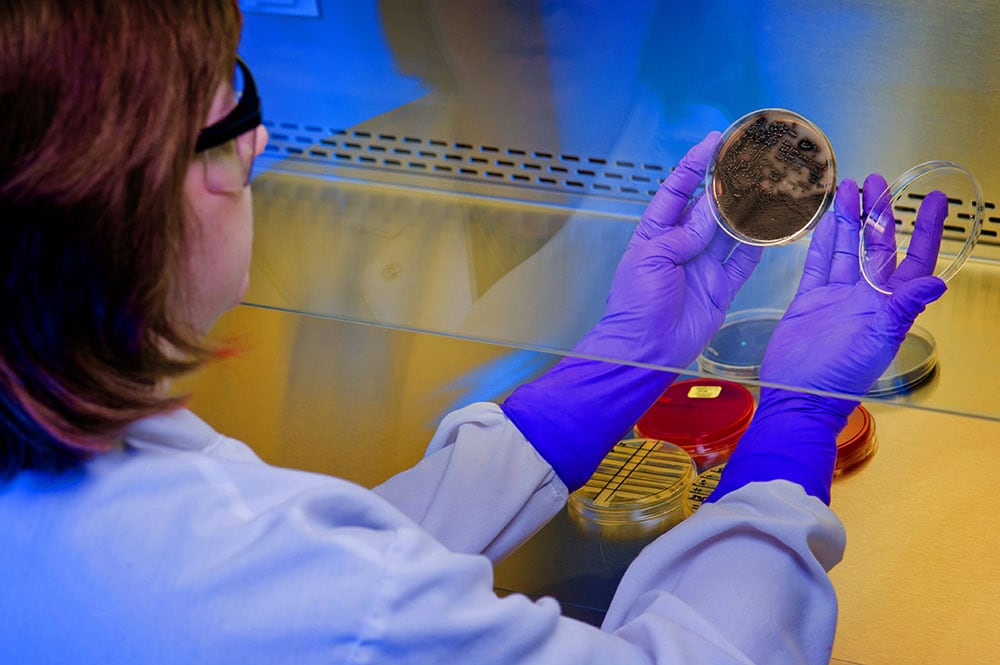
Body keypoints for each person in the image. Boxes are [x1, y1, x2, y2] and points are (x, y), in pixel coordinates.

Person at [0, 2, 947, 663]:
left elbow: (333, 555)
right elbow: (339, 597)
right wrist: (793, 425)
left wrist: (613, 367)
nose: (256, 144)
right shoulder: (269, 587)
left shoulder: (92, 502)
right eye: (227, 111)